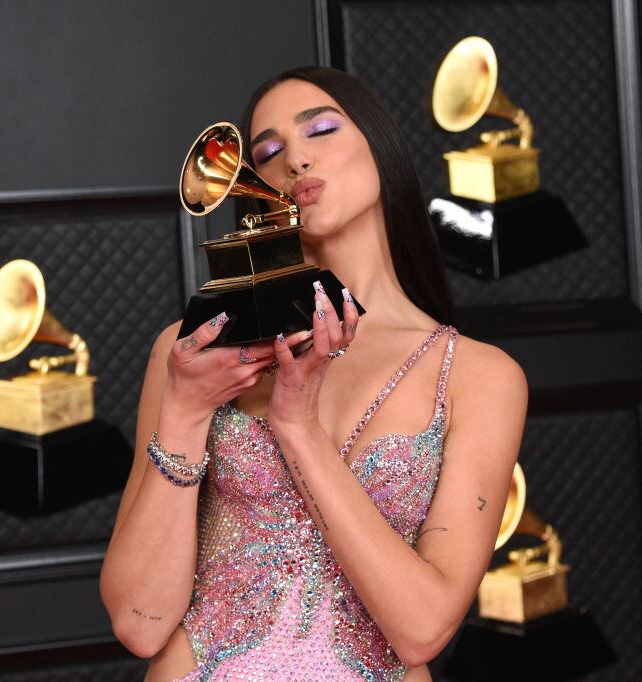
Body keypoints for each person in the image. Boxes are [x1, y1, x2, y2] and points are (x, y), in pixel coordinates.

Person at [99, 66, 527, 681]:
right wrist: (186, 411)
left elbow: (421, 629)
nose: (295, 159)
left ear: (380, 146)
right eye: (267, 152)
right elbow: (138, 623)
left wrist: (296, 426)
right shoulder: (194, 352)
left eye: (321, 129)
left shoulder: (479, 377)